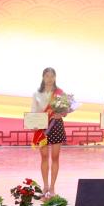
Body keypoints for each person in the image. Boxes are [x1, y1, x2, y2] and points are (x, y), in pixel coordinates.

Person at [31, 67, 68, 196]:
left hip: (56, 125)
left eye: (52, 76)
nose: (50, 78)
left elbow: (65, 112)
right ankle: (45, 186)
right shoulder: (36, 93)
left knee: (55, 157)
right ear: (43, 77)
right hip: (42, 127)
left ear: (55, 77)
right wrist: (33, 124)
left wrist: (61, 114)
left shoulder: (60, 93)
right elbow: (33, 111)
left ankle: (52, 187)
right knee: (44, 157)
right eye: (47, 76)